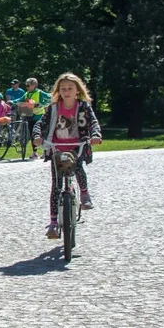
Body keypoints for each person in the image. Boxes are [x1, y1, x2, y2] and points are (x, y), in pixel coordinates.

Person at [32, 73, 103, 239]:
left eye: (70, 88)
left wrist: (96, 135)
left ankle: (84, 193)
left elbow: (93, 123)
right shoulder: (54, 108)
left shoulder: (83, 107)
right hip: (56, 149)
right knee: (56, 185)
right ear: (58, 91)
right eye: (63, 89)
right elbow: (40, 124)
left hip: (77, 147)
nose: (66, 91)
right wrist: (37, 137)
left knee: (78, 168)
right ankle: (54, 223)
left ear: (77, 90)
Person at [20, 77, 49, 157]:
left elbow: (49, 98)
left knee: (42, 133)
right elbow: (20, 99)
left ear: (34, 85)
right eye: (26, 85)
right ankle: (35, 152)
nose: (27, 87)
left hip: (39, 115)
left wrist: (41, 104)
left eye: (28, 85)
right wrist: (12, 102)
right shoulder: (27, 94)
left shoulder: (40, 93)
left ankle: (45, 151)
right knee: (32, 134)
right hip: (29, 115)